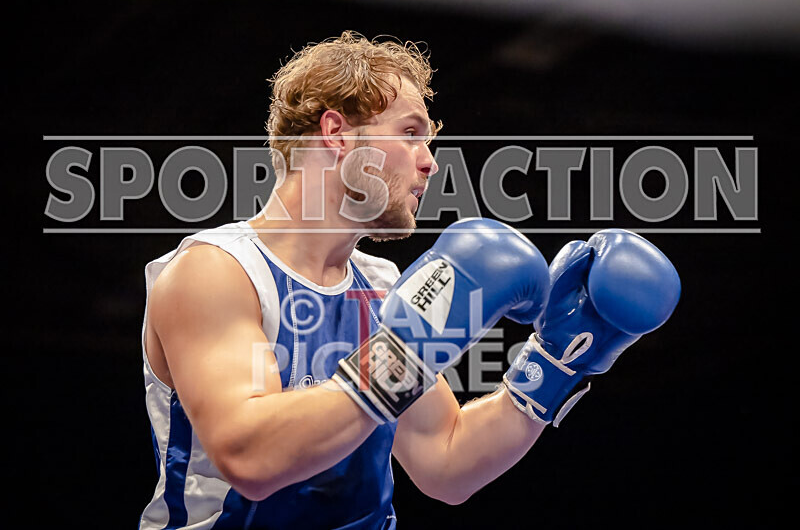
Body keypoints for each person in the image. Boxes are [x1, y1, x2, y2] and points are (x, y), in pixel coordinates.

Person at [139, 31, 681, 529]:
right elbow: (250, 459)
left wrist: (555, 363)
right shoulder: (216, 271)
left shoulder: (379, 288)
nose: (429, 163)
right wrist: (407, 353)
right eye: (411, 134)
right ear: (337, 134)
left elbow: (446, 463)